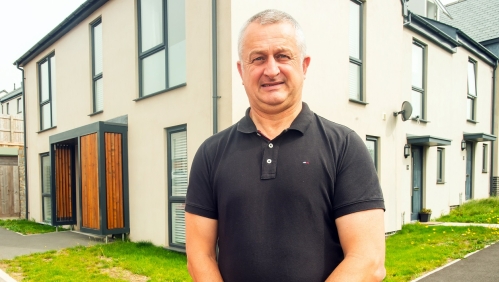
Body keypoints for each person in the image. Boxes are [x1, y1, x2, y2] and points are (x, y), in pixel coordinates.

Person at [185, 9, 386, 282]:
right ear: (241, 71)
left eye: (282, 56)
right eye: (258, 58)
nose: (271, 69)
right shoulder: (211, 154)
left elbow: (368, 260)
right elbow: (200, 256)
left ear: (304, 66)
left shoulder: (345, 147)